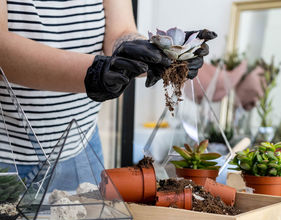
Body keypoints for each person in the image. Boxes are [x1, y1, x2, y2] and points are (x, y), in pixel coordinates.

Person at [0, 0, 216, 188]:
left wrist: (152, 54)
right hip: (7, 158)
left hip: (82, 148)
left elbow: (121, 32)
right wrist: (93, 72)